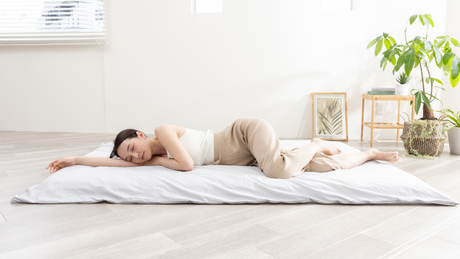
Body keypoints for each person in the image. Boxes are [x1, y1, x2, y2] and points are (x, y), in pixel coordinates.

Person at [46, 118, 399, 179]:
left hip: (243, 135)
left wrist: (155, 161)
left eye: (133, 148)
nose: (135, 157)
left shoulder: (161, 133)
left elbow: (185, 165)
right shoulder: (149, 158)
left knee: (279, 170)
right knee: (321, 169)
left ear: (140, 133)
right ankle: (369, 154)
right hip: (245, 161)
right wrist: (76, 159)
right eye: (130, 157)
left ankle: (316, 143)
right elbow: (116, 166)